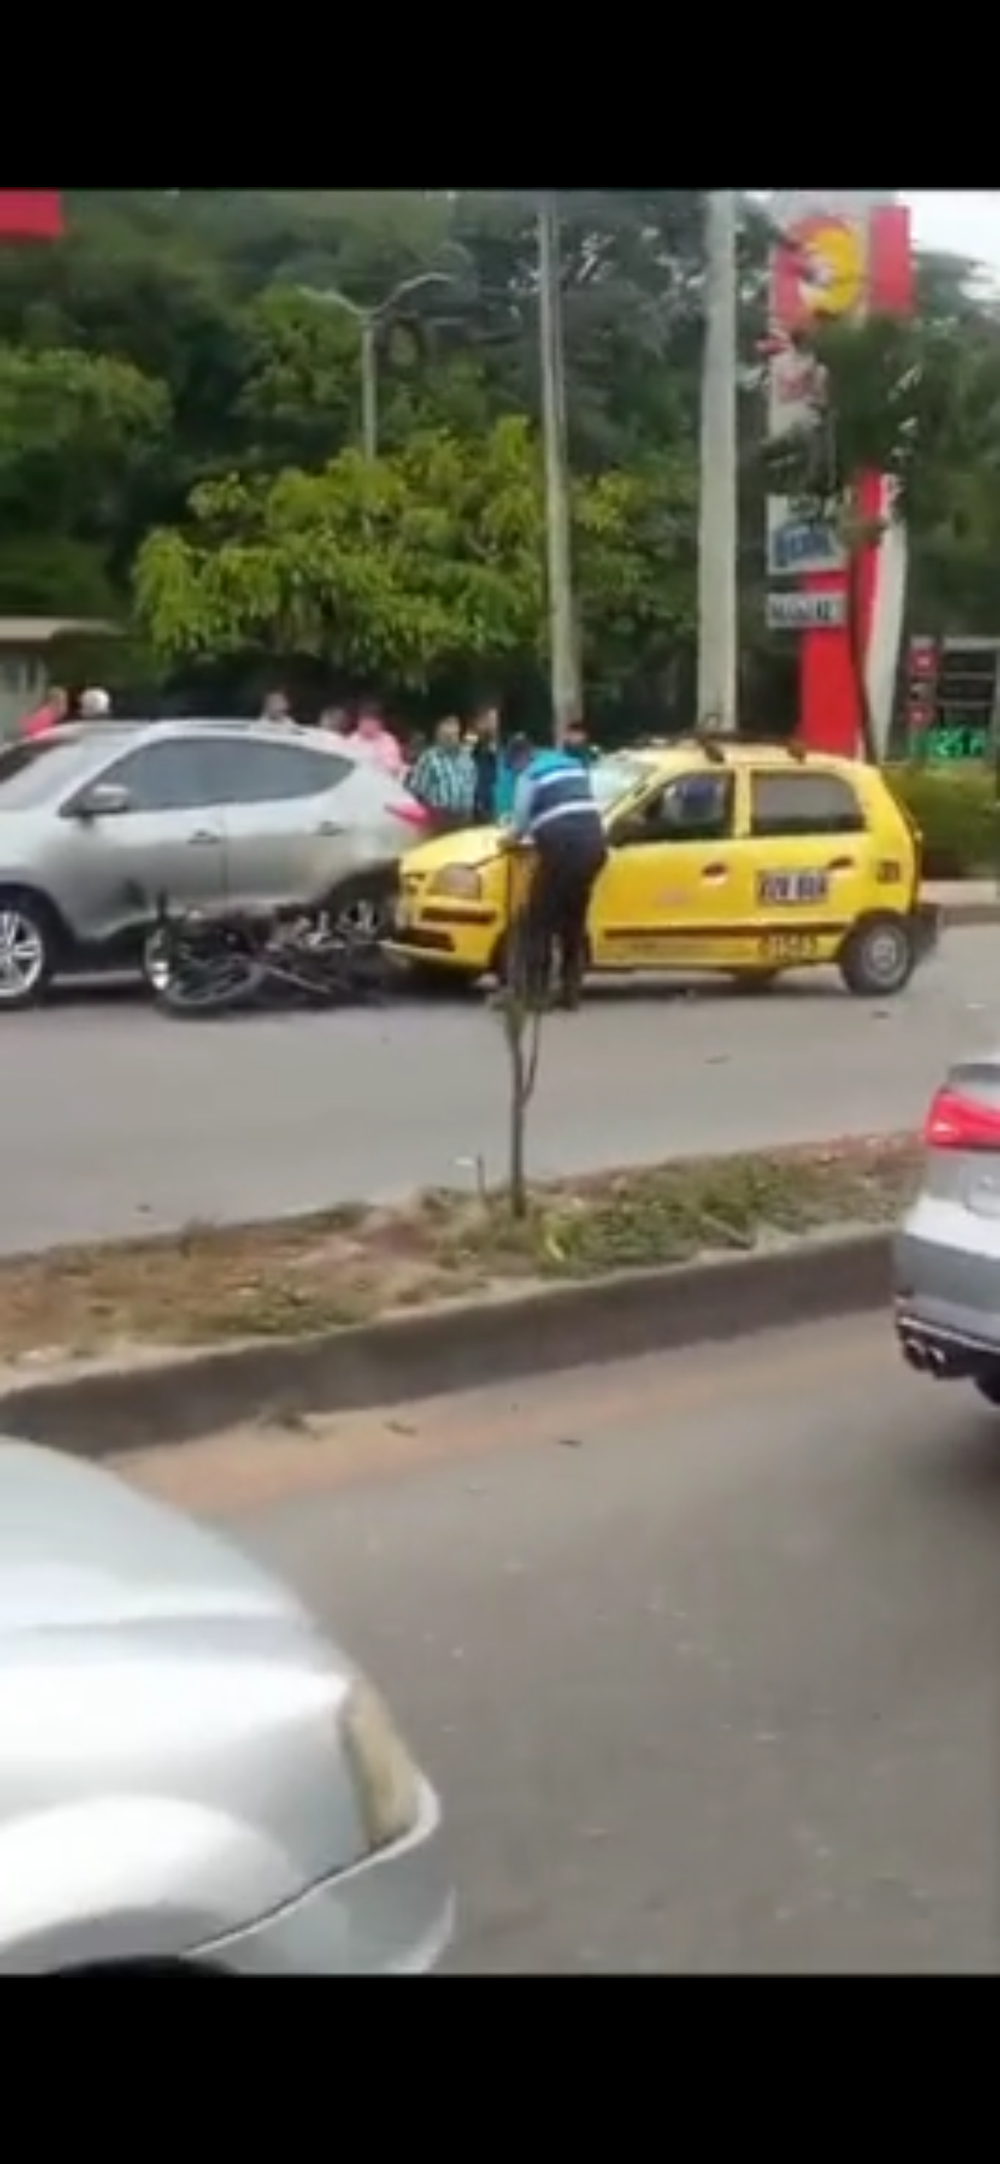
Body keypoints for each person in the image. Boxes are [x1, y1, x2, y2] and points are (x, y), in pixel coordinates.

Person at [504, 734, 607, 1010]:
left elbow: (520, 821)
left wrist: (508, 840)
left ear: (518, 760)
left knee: (538, 920)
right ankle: (571, 991)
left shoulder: (529, 774)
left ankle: (535, 993)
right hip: (594, 847)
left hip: (562, 848)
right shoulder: (572, 765)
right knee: (573, 919)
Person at [408, 716, 477, 831]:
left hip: (465, 818)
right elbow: (416, 793)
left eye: (453, 725)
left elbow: (471, 786)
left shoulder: (467, 758)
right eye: (446, 725)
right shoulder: (428, 758)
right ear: (437, 733)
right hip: (439, 820)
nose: (450, 731)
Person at [353, 700, 405, 777]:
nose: (366, 726)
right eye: (363, 721)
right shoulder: (353, 738)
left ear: (379, 724)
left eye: (370, 723)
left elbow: (392, 769)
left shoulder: (388, 741)